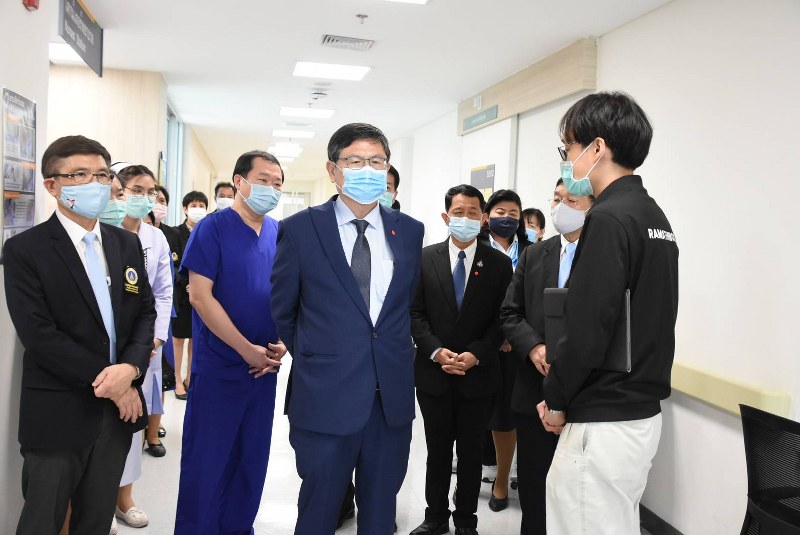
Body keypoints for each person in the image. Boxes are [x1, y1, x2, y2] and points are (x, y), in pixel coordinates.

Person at [271, 123, 424, 534]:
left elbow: (404, 306)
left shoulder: (410, 231)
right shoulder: (300, 229)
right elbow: (284, 310)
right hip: (325, 397)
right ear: (332, 170)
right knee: (319, 512)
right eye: (355, 161)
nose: (368, 170)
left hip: (389, 401)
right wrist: (321, 356)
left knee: (380, 516)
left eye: (377, 161)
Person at [538, 91, 678, 535]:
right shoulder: (654, 217)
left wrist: (556, 397)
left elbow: (588, 326)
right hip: (639, 415)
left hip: (603, 420)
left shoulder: (608, 218)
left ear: (597, 148)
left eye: (568, 148)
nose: (567, 160)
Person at [3, 135, 156, 535]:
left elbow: (144, 313)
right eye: (80, 175)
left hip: (115, 418)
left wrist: (131, 369)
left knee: (96, 522)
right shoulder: (25, 250)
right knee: (41, 522)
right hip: (58, 412)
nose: (96, 183)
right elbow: (40, 335)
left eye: (102, 175)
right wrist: (115, 384)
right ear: (52, 185)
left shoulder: (125, 243)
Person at [174, 150, 287, 535]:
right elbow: (199, 296)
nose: (271, 189)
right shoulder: (213, 228)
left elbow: (286, 295)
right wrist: (245, 349)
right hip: (220, 369)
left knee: (249, 464)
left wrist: (282, 341)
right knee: (207, 465)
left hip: (263, 372)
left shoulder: (277, 232)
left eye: (277, 183)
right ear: (239, 181)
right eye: (263, 180)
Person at [410, 185, 512, 535]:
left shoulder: (499, 264)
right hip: (433, 374)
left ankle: (466, 519)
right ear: (445, 217)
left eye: (472, 212)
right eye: (458, 212)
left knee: (470, 453)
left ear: (483, 218)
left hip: (478, 376)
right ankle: (435, 516)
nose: (465, 218)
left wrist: (476, 354)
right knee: (437, 451)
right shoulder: (424, 258)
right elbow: (415, 313)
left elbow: (503, 318)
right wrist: (436, 351)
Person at [500, 178, 593, 535]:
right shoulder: (535, 254)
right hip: (533, 388)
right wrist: (534, 346)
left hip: (584, 395)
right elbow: (510, 313)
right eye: (556, 199)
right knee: (534, 485)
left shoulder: (603, 255)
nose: (560, 207)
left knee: (575, 492)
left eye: (572, 200)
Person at [112, 163, 174, 530]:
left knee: (133, 421)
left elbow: (164, 292)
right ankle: (95, 501)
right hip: (105, 344)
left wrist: (157, 337)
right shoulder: (101, 229)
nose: (145, 198)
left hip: (145, 345)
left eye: (150, 192)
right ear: (117, 191)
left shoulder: (156, 238)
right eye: (137, 190)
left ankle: (124, 498)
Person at [479, 188, 532, 511]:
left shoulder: (532, 251)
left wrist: (515, 334)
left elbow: (534, 299)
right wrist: (495, 335)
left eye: (514, 213)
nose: (507, 218)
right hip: (480, 344)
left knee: (505, 416)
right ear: (487, 216)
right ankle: (470, 478)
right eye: (500, 212)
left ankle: (502, 481)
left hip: (516, 348)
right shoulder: (474, 247)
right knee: (473, 417)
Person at [172, 190, 208, 399]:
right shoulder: (175, 233)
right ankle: (177, 379)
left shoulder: (206, 232)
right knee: (178, 339)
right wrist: (188, 284)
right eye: (193, 205)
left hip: (202, 295)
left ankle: (189, 378)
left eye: (201, 205)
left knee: (195, 339)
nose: (198, 209)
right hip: (181, 295)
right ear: (185, 209)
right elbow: (174, 264)